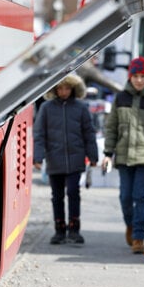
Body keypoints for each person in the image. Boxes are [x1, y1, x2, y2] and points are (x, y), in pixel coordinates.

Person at [102, 56, 144, 254]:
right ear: (130, 77)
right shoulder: (120, 98)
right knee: (125, 197)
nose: (139, 80)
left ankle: (139, 236)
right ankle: (130, 225)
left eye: (143, 76)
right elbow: (111, 127)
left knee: (140, 196)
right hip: (123, 157)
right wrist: (107, 153)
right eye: (135, 76)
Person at [33, 74, 98, 244]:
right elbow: (39, 135)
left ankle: (74, 229)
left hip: (76, 159)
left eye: (67, 88)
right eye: (60, 88)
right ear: (54, 90)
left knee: (73, 193)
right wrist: (38, 157)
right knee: (57, 195)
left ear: (73, 89)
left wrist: (93, 156)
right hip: (54, 158)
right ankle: (59, 229)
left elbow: (89, 133)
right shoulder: (46, 108)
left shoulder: (81, 108)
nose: (63, 92)